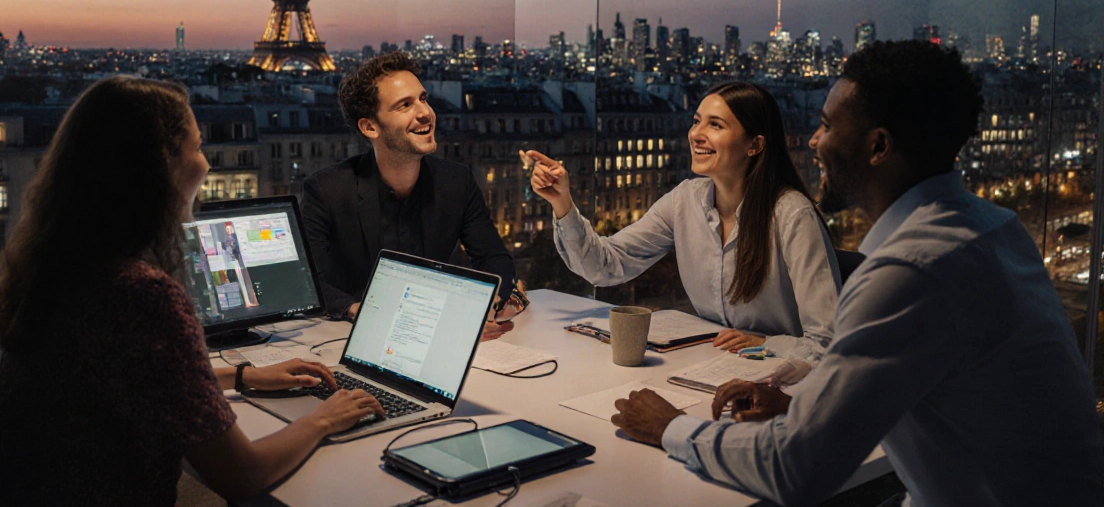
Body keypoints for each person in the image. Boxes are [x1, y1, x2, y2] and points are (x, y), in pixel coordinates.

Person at [611, 41, 1104, 506]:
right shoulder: (993, 228)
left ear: (878, 146)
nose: (814, 140)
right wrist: (795, 408)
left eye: (828, 126)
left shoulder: (909, 271)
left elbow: (795, 470)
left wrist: (670, 427)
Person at [0, 77, 385, 506]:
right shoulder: (143, 295)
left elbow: (123, 377)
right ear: (158, 169)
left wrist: (242, 376)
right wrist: (323, 419)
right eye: (196, 147)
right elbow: (243, 477)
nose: (206, 165)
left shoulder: (59, 268)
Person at [528, 81, 838, 362]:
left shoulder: (792, 215)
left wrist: (766, 344)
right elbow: (605, 266)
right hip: (711, 366)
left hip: (778, 384)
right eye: (696, 121)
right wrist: (562, 203)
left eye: (715, 125)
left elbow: (828, 343)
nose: (695, 134)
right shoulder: (685, 200)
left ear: (754, 145)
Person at [300, 52, 525, 336]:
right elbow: (308, 281)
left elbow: (495, 259)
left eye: (423, 98)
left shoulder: (457, 182)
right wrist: (356, 309)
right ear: (370, 127)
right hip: (351, 338)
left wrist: (491, 301)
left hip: (438, 334)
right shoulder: (327, 190)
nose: (425, 112)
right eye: (405, 105)